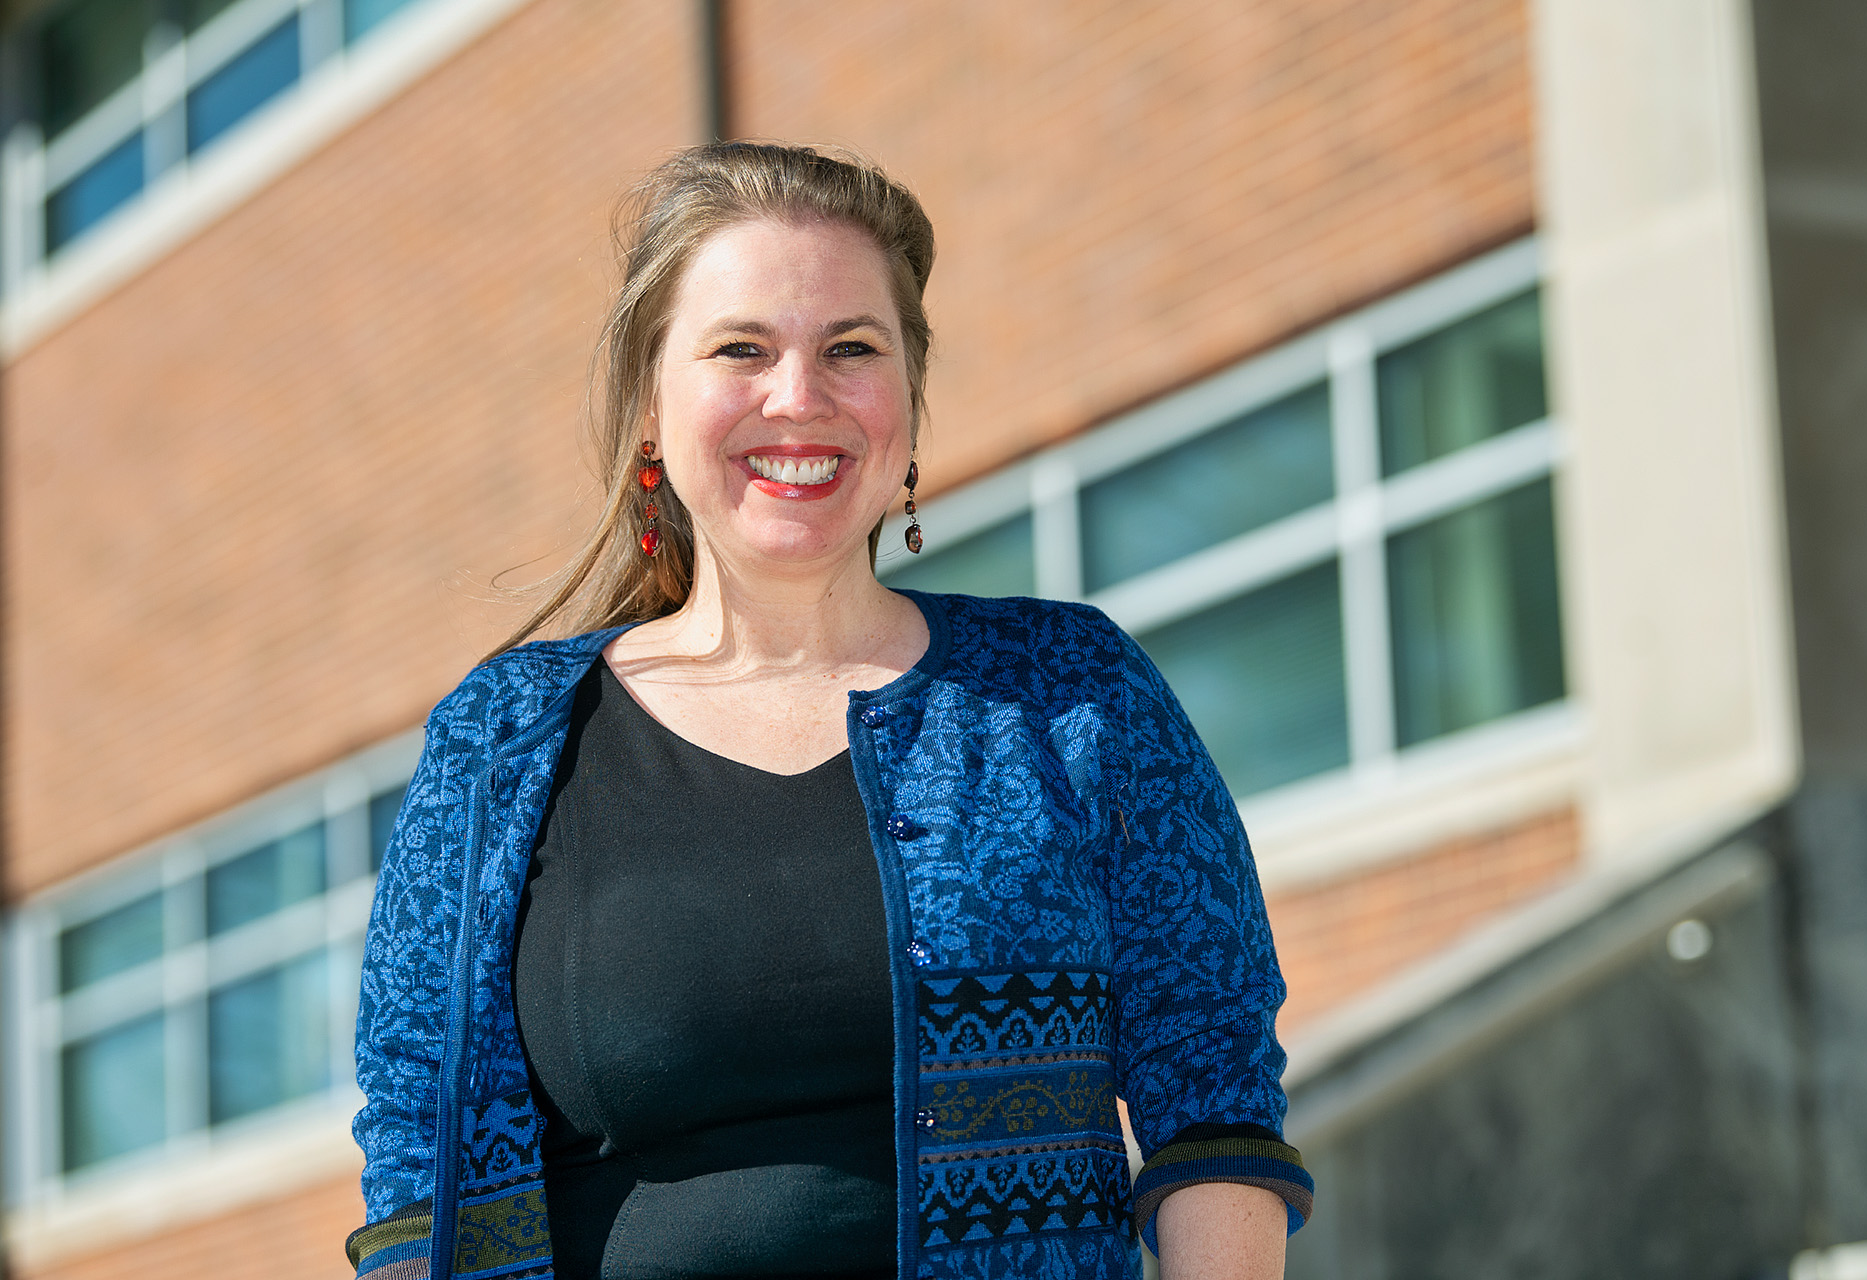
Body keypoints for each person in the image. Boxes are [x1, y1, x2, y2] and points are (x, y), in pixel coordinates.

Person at [346, 141, 1312, 1280]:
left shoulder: (1069, 695)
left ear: (908, 399)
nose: (798, 397)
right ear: (651, 410)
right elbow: (420, 1170)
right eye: (741, 348)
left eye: (852, 348)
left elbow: (1212, 1094)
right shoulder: (500, 741)